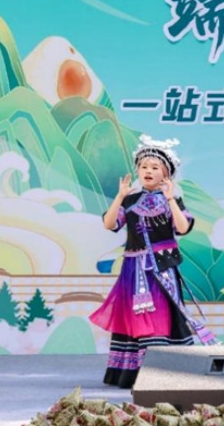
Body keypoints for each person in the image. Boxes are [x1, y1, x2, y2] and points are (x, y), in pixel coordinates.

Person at [90, 135, 217, 389]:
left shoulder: (173, 201)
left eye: (155, 167)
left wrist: (170, 199)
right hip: (134, 268)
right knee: (136, 315)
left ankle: (161, 370)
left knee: (159, 313)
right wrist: (120, 197)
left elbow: (182, 228)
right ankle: (136, 372)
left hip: (162, 268)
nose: (148, 171)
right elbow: (109, 224)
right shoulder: (130, 200)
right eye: (144, 166)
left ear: (166, 174)